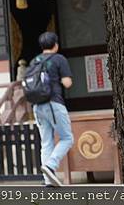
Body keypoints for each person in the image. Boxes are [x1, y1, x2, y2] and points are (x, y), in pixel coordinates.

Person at [32, 32, 74, 187]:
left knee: (46, 142)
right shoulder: (59, 59)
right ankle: (51, 165)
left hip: (37, 106)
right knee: (67, 138)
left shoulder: (34, 61)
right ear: (55, 45)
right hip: (53, 103)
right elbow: (67, 83)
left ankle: (48, 181)